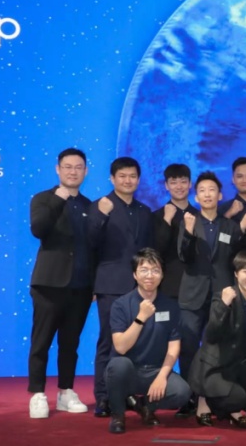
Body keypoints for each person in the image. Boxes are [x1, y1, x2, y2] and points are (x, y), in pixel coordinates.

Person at [27, 148, 94, 418]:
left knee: (70, 344)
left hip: (80, 287)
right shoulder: (43, 198)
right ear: (58, 169)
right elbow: (38, 229)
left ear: (86, 171)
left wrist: (94, 285)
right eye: (68, 166)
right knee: (41, 342)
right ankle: (37, 394)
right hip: (49, 284)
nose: (73, 172)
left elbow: (94, 248)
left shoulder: (90, 206)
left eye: (78, 167)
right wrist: (58, 199)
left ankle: (66, 391)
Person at [177, 171, 246, 418]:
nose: (207, 194)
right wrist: (188, 233)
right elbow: (183, 256)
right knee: (188, 347)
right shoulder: (188, 222)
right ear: (196, 197)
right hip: (192, 296)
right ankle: (190, 398)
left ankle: (216, 395)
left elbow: (236, 261)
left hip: (222, 296)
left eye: (212, 190)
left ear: (220, 195)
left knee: (219, 347)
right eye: (202, 191)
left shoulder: (230, 226)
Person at [88, 157, 153, 417]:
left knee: (136, 342)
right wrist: (101, 216)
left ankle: (127, 394)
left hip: (139, 288)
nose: (128, 180)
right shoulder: (100, 206)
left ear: (138, 179)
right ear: (112, 178)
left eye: (132, 176)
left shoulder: (144, 211)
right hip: (110, 285)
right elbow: (89, 244)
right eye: (122, 176)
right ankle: (104, 396)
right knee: (109, 341)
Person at [106, 248, 191, 434]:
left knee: (182, 392)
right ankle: (118, 414)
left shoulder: (171, 306)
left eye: (155, 270)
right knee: (118, 366)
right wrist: (140, 318)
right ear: (134, 274)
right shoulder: (121, 305)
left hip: (154, 370)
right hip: (129, 370)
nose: (150, 276)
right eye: (144, 270)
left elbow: (174, 347)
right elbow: (120, 347)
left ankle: (145, 406)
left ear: (162, 275)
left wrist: (161, 377)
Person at [188, 250, 246, 429]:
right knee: (238, 398)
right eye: (245, 271)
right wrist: (224, 305)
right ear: (236, 274)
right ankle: (204, 399)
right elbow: (211, 334)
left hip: (238, 363)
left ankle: (230, 408)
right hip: (216, 365)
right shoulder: (224, 296)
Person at [151, 164, 197, 303]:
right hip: (168, 285)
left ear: (190, 184)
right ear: (166, 185)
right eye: (173, 182)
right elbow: (156, 251)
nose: (179, 186)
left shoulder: (199, 215)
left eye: (183, 181)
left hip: (196, 286)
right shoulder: (157, 216)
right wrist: (167, 220)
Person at [219, 157, 246, 224]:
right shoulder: (223, 209)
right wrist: (229, 214)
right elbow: (216, 230)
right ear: (233, 180)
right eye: (240, 176)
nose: (245, 180)